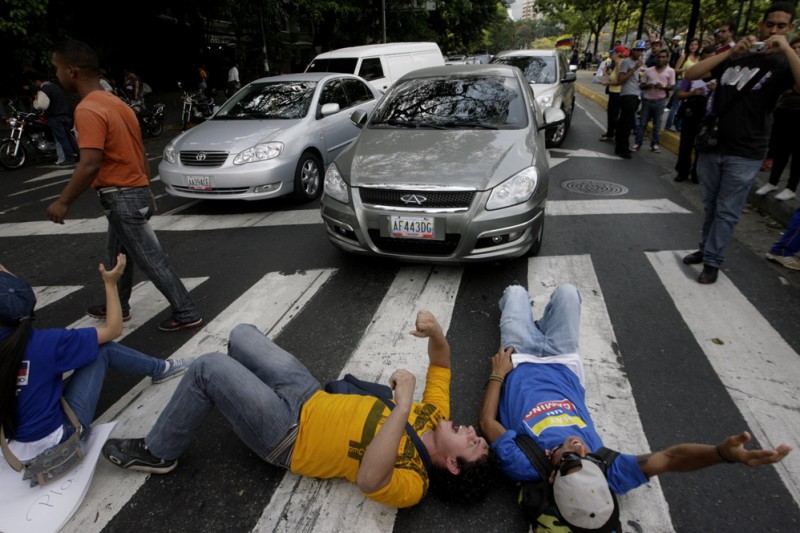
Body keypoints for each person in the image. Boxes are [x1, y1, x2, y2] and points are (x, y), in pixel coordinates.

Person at [479, 284, 792, 532]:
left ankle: (526, 315)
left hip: (517, 358)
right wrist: (720, 454)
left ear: (551, 480)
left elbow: (487, 421)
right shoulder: (608, 471)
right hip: (561, 359)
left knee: (515, 292)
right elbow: (670, 458)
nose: (580, 448)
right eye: (589, 459)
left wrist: (498, 373)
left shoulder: (523, 463)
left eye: (571, 458)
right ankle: (543, 320)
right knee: (568, 292)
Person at [102, 310, 494, 508]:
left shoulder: (415, 483)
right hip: (309, 395)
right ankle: (228, 394)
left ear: (454, 465)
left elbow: (371, 480)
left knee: (208, 368)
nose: (472, 431)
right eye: (479, 437)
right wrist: (437, 332)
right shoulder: (436, 414)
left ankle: (159, 451)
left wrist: (403, 403)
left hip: (288, 434)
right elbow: (441, 364)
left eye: (473, 444)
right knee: (241, 335)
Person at [44, 40, 204, 332]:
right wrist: (147, 188)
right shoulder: (117, 103)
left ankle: (186, 311)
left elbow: (90, 163)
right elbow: (136, 149)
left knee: (152, 260)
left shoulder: (88, 109)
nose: (56, 75)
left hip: (121, 197)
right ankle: (118, 304)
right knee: (118, 256)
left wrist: (63, 201)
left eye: (56, 68)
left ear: (71, 71)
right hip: (130, 193)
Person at [0, 254, 192, 476]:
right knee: (103, 350)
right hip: (57, 444)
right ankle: (162, 369)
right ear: (33, 303)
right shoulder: (49, 342)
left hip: (11, 448)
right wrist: (110, 284)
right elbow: (113, 329)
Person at [682, 2, 800, 284]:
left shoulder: (784, 63)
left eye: (781, 26)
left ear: (790, 29)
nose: (773, 30)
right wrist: (730, 52)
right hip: (713, 144)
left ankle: (713, 260)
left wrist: (786, 49)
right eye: (769, 24)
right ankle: (705, 248)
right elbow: (691, 75)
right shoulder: (736, 56)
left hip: (746, 151)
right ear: (760, 25)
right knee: (711, 206)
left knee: (727, 209)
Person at [755, 37, 800, 202]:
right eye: (793, 47)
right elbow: (785, 88)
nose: (796, 50)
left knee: (797, 154)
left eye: (799, 47)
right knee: (781, 149)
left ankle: (791, 187)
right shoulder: (786, 66)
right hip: (784, 111)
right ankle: (773, 182)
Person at [674, 45, 718, 183]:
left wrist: (717, 89)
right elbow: (680, 94)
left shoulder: (720, 76)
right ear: (702, 57)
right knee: (686, 144)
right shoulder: (693, 74)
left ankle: (696, 173)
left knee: (702, 146)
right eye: (707, 58)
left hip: (708, 116)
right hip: (691, 113)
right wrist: (692, 93)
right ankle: (682, 171)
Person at [633, 49, 675, 153]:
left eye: (663, 57)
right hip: (647, 100)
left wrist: (663, 87)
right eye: (659, 57)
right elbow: (641, 85)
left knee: (657, 124)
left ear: (667, 58)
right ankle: (638, 143)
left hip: (660, 101)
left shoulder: (670, 71)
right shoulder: (649, 70)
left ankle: (655, 144)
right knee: (643, 123)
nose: (661, 59)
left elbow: (671, 86)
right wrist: (648, 85)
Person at [32, 76, 79, 166]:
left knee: (62, 138)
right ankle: (77, 154)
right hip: (65, 114)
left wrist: (35, 102)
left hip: (55, 116)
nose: (35, 85)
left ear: (38, 81)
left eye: (35, 83)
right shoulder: (56, 87)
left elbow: (42, 105)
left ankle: (69, 158)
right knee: (69, 136)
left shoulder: (44, 89)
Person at [614, 40, 647, 159]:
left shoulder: (640, 63)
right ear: (633, 50)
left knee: (625, 121)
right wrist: (633, 69)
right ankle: (623, 148)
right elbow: (620, 79)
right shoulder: (627, 63)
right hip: (627, 95)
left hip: (636, 94)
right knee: (626, 122)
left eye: (642, 50)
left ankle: (620, 146)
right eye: (638, 50)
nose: (639, 53)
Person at [665, 37, 702, 131]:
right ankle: (669, 125)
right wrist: (685, 70)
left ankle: (678, 125)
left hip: (692, 83)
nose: (693, 47)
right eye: (691, 44)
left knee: (685, 106)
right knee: (676, 105)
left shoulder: (699, 58)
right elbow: (675, 70)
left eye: (695, 45)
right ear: (688, 46)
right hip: (682, 81)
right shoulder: (684, 56)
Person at [599, 45, 628, 142]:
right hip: (613, 92)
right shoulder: (617, 64)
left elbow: (619, 81)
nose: (611, 55)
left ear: (617, 54)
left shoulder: (620, 64)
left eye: (613, 53)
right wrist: (606, 74)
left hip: (617, 93)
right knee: (612, 114)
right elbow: (614, 78)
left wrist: (606, 82)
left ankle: (613, 134)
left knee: (613, 115)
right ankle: (610, 133)